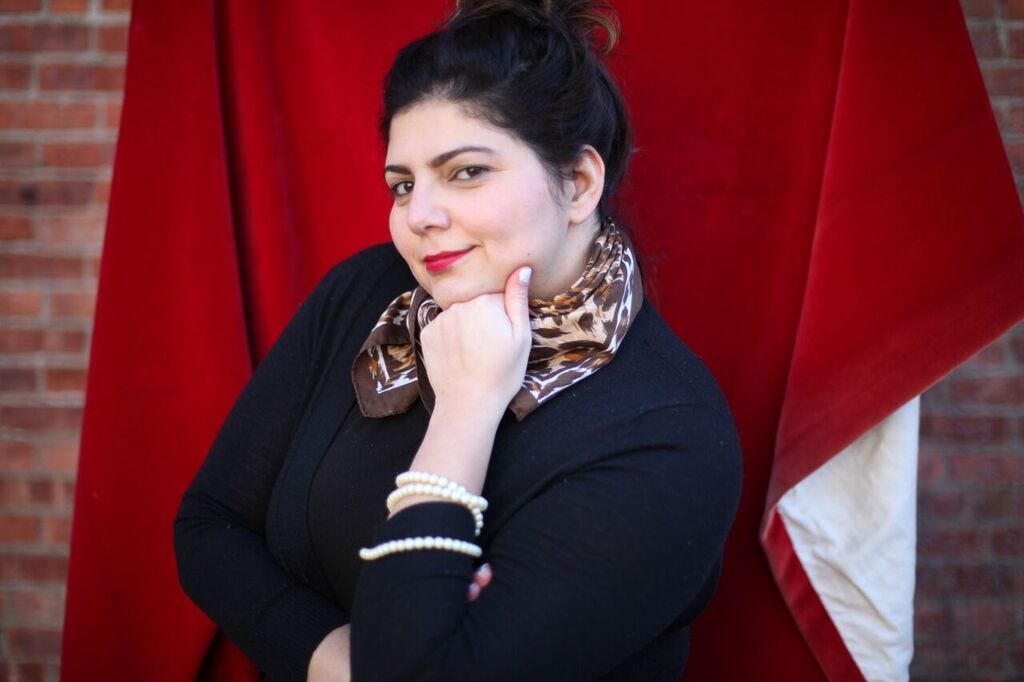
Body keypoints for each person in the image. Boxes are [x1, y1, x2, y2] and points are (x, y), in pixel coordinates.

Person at [173, 1, 742, 680]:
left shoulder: (666, 435)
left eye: (466, 171)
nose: (419, 216)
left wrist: (467, 406)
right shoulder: (364, 295)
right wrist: (339, 663)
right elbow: (211, 526)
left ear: (580, 184)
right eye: (402, 184)